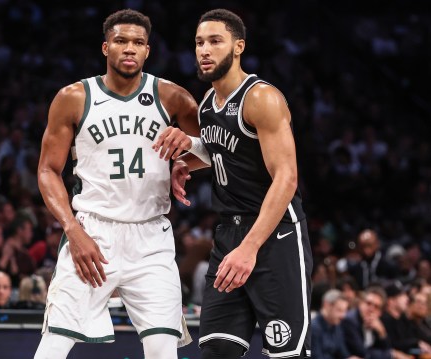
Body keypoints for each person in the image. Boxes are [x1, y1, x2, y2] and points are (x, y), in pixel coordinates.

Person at [33, 9, 199, 359]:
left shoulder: (174, 98)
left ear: (148, 51)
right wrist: (73, 231)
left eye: (138, 42)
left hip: (151, 236)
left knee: (162, 349)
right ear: (106, 47)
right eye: (121, 41)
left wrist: (184, 164)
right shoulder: (73, 97)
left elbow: (211, 148)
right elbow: (48, 170)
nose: (129, 48)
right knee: (54, 345)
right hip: (94, 231)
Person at [153, 9, 312, 358]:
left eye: (214, 41)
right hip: (229, 235)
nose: (204, 50)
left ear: (238, 47)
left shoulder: (261, 98)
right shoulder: (209, 103)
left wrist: (250, 248)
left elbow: (286, 178)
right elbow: (224, 151)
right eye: (198, 43)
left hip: (274, 236)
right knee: (215, 351)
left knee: (286, 355)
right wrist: (185, 163)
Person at [340, 286, 392, 359]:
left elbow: (388, 350)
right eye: (368, 303)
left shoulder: (377, 323)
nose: (371, 309)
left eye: (376, 307)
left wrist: (381, 331)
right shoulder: (350, 321)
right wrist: (387, 355)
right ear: (361, 303)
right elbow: (362, 353)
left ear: (380, 313)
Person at [311, 289, 362, 359]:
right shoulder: (313, 328)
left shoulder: (336, 326)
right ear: (327, 305)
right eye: (339, 310)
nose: (343, 316)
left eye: (344, 311)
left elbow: (343, 354)